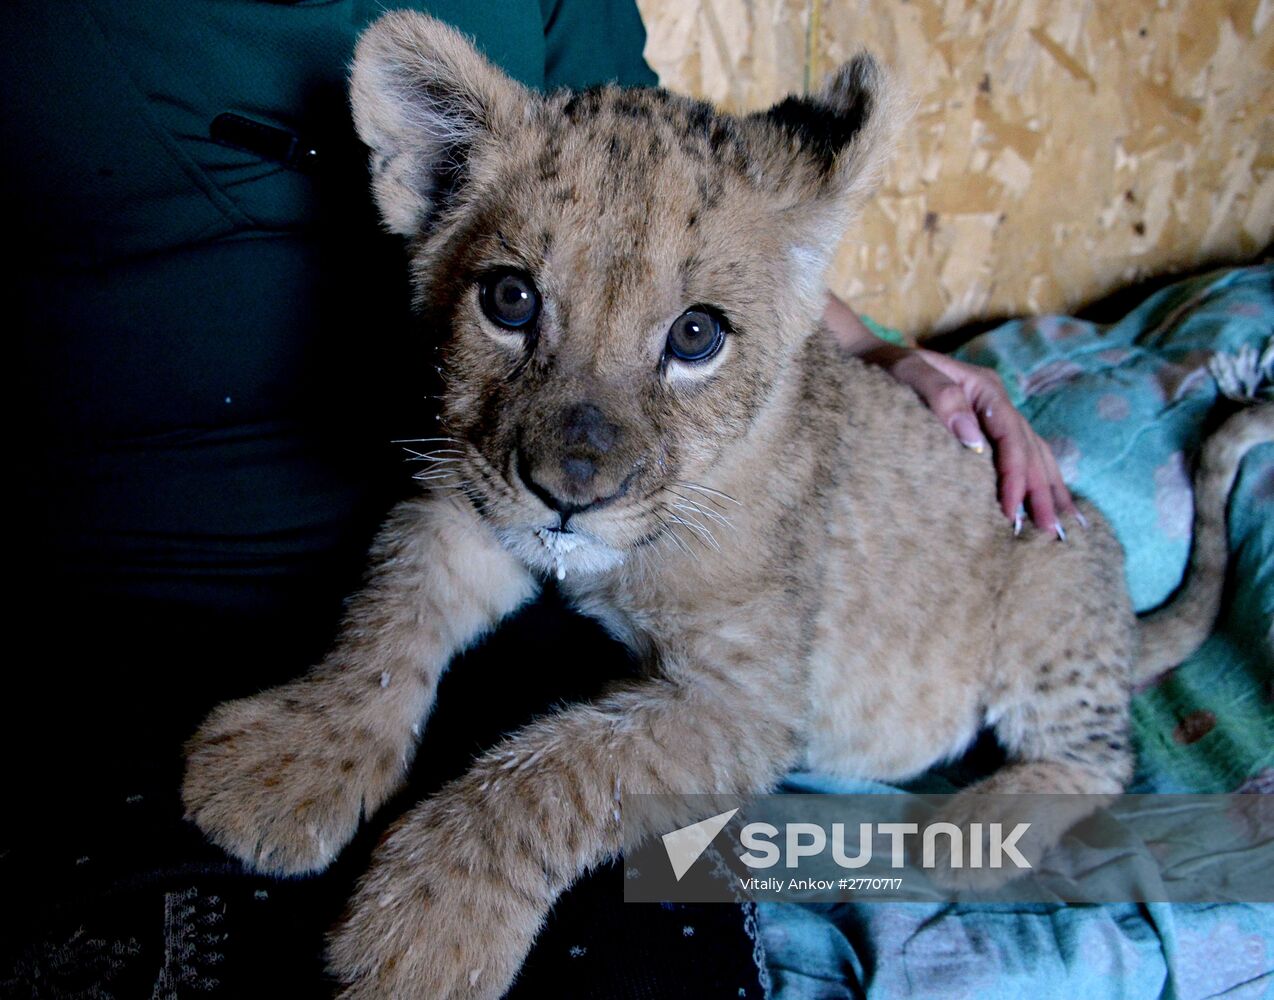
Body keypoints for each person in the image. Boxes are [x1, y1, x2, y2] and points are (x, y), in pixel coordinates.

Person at [3, 1, 1071, 995]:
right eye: (512, 299)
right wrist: (355, 701)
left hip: (636, 625)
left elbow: (685, 213)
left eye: (691, 340)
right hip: (115, 597)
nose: (579, 467)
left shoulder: (736, 421)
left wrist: (890, 352)